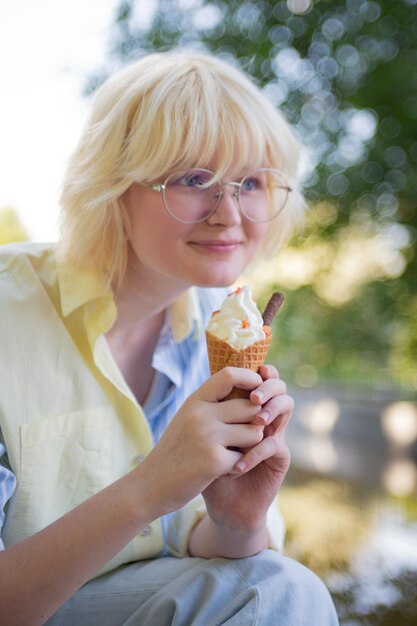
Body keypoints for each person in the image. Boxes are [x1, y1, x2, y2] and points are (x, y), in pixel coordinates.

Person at [0, 51, 339, 625]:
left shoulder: (222, 324)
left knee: (280, 587)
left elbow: (209, 561)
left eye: (252, 182)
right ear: (112, 188)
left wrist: (238, 523)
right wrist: (150, 488)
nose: (229, 213)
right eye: (193, 178)